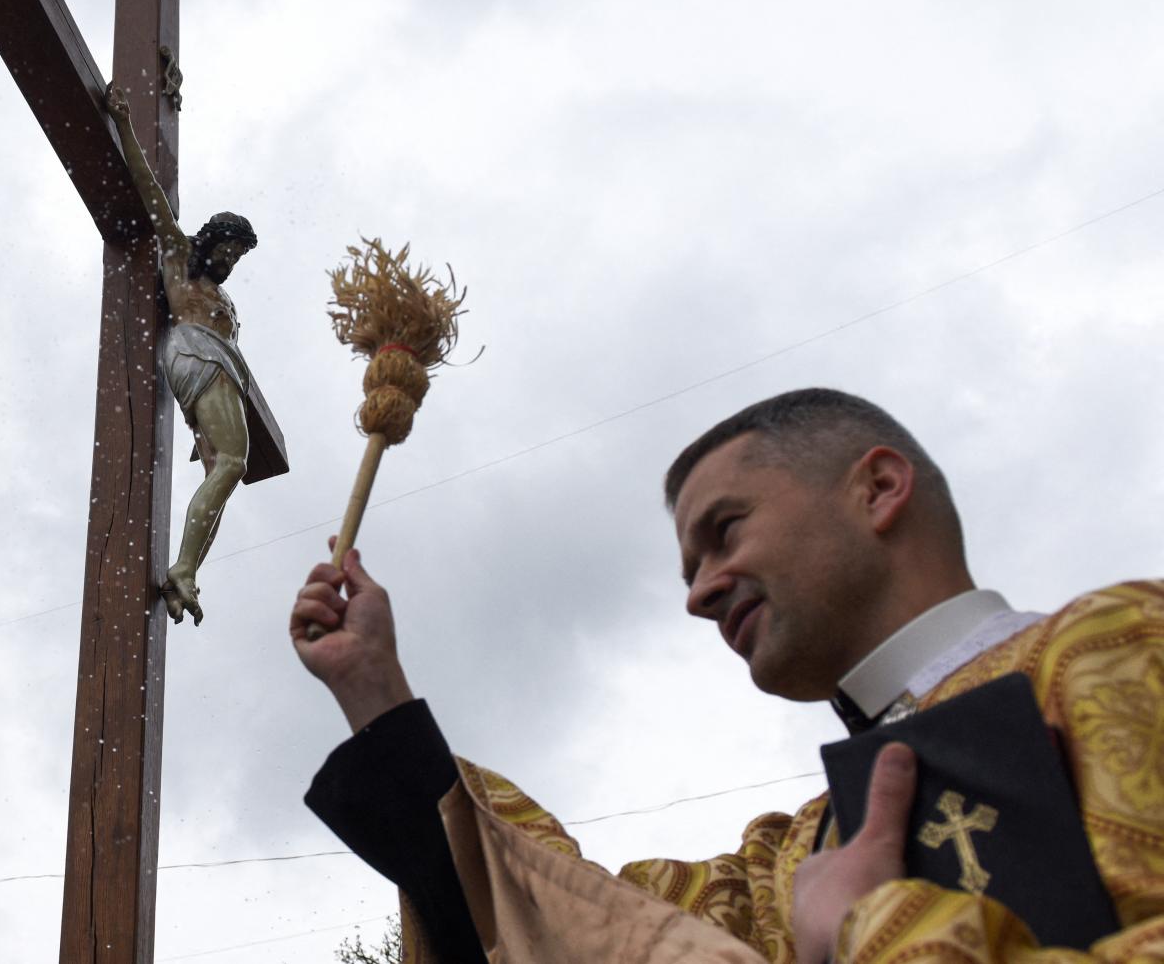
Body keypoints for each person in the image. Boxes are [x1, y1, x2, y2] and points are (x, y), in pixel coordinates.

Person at [290, 388, 1164, 963]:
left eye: (727, 529)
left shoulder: (1123, 643)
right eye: (687, 568)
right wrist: (374, 687)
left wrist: (875, 927)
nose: (701, 594)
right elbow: (570, 922)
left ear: (880, 488)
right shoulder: (795, 855)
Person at [107, 82, 259, 626]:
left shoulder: (222, 296)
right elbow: (150, 192)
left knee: (224, 470)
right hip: (198, 354)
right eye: (228, 249)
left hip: (217, 365)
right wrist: (124, 123)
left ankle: (186, 572)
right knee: (235, 463)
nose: (231, 261)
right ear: (212, 239)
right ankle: (184, 569)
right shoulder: (178, 256)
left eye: (238, 256)